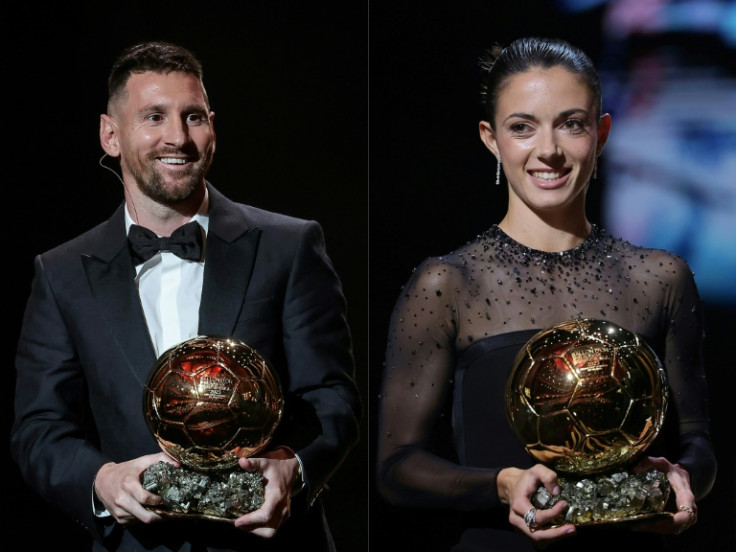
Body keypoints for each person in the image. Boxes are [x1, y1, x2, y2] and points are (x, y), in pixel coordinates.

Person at [11, 40, 361, 552]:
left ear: (213, 126)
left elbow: (333, 398)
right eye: (154, 116)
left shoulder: (288, 245)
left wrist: (294, 467)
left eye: (193, 116)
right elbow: (38, 428)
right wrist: (101, 480)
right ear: (111, 134)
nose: (178, 137)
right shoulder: (62, 272)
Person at [375, 36, 716, 552]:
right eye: (522, 127)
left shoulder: (660, 277)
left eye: (572, 124)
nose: (549, 150)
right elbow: (396, 467)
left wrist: (680, 478)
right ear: (491, 139)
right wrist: (499, 485)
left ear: (601, 134)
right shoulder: (448, 282)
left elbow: (697, 442)